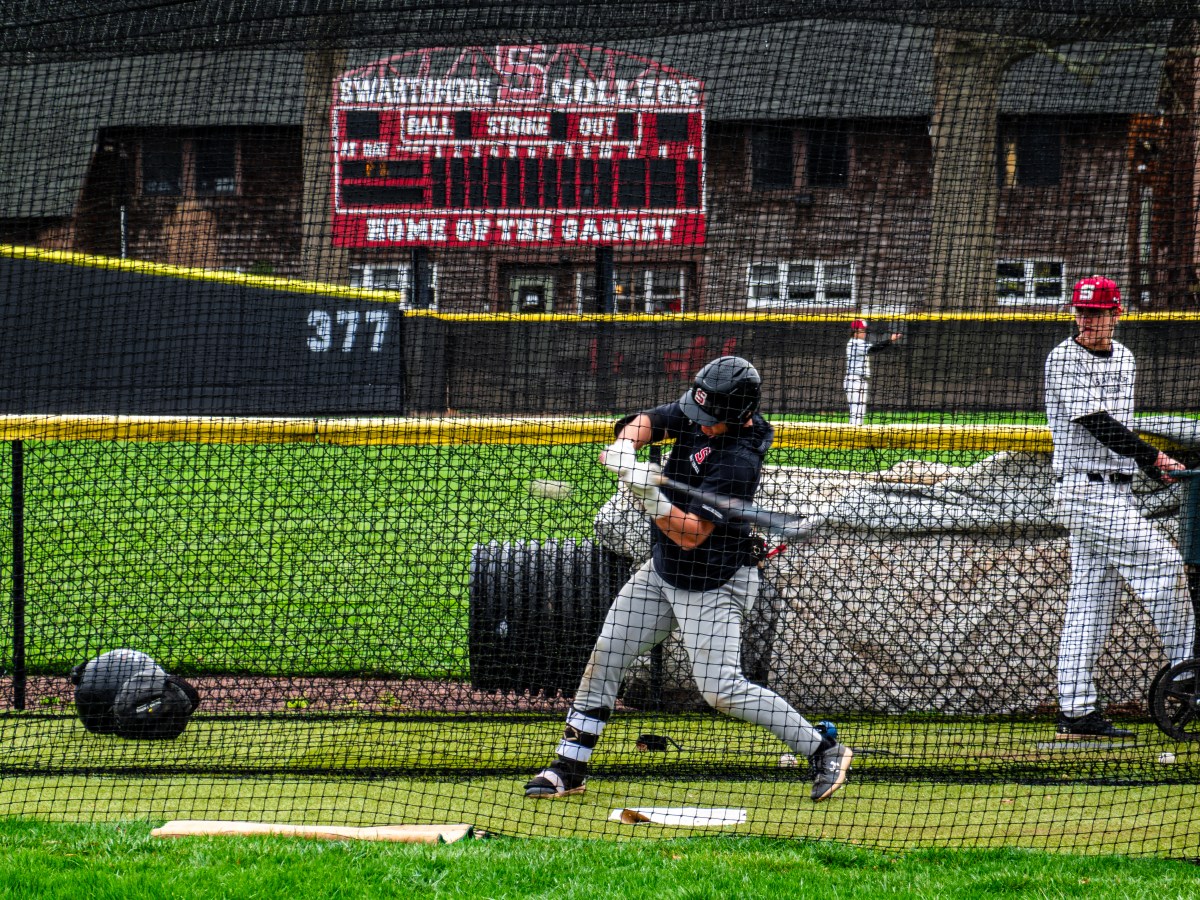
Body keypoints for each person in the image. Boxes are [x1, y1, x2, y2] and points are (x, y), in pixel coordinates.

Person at [523, 356, 853, 802]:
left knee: (721, 691)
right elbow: (649, 421)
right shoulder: (705, 408)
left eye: (709, 418)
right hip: (662, 572)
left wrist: (646, 494)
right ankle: (570, 766)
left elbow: (692, 534)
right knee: (607, 655)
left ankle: (823, 749)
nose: (698, 421)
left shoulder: (739, 458)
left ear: (737, 414)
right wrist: (626, 447)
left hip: (713, 584)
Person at [1044, 276, 1195, 739]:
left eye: (1099, 312)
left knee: (1091, 600)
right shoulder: (1064, 357)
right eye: (1084, 312)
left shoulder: (1125, 358)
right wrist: (1154, 457)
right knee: (1166, 566)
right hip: (1085, 492)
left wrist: (1153, 469)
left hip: (1116, 489)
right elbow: (1097, 425)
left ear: (1117, 313)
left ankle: (1076, 711)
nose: (1090, 320)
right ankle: (1191, 676)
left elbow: (1120, 429)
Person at [844, 319, 902, 425]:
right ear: (855, 331)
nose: (864, 332)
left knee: (859, 412)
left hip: (859, 381)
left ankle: (855, 436)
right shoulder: (855, 343)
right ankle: (852, 436)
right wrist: (890, 340)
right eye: (862, 330)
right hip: (854, 380)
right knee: (857, 412)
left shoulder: (858, 342)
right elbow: (874, 349)